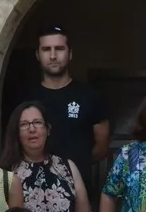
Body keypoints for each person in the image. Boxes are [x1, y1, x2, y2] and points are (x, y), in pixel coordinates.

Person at [28, 24, 110, 193]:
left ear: (70, 54)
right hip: (35, 191)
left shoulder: (90, 95)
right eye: (46, 49)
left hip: (80, 193)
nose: (52, 55)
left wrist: (76, 166)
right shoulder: (26, 98)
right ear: (37, 55)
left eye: (59, 49)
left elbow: (101, 146)